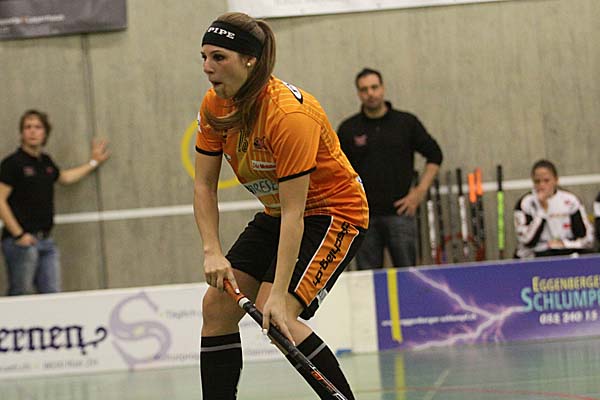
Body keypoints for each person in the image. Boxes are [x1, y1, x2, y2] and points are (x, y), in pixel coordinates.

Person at [194, 12, 368, 400]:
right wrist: (212, 250)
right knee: (216, 308)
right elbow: (204, 186)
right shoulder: (215, 106)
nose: (207, 67)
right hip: (278, 213)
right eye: (203, 57)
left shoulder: (288, 115)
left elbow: (296, 212)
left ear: (249, 60)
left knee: (279, 318)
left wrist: (277, 295)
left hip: (333, 212)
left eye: (219, 57)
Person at [337, 68, 443, 269]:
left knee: (408, 276)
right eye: (364, 89)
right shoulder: (348, 129)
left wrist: (419, 192)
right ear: (358, 93)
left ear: (383, 88)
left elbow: (435, 155)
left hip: (400, 215)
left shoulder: (406, 123)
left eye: (374, 87)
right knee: (369, 280)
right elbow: (336, 170)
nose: (370, 93)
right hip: (364, 219)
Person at [0, 109, 109, 295]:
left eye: (38, 127)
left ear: (45, 133)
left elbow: (64, 177)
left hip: (46, 241)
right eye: (28, 127)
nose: (32, 131)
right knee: (21, 294)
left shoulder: (46, 162)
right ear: (22, 133)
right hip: (21, 243)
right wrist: (19, 235)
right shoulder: (12, 163)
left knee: (52, 295)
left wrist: (93, 163)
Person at [514, 159, 594, 259]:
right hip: (537, 252)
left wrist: (564, 244)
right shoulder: (525, 203)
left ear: (556, 180)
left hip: (566, 248)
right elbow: (527, 241)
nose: (542, 185)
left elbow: (585, 236)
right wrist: (542, 211)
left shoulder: (570, 200)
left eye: (546, 181)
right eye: (537, 181)